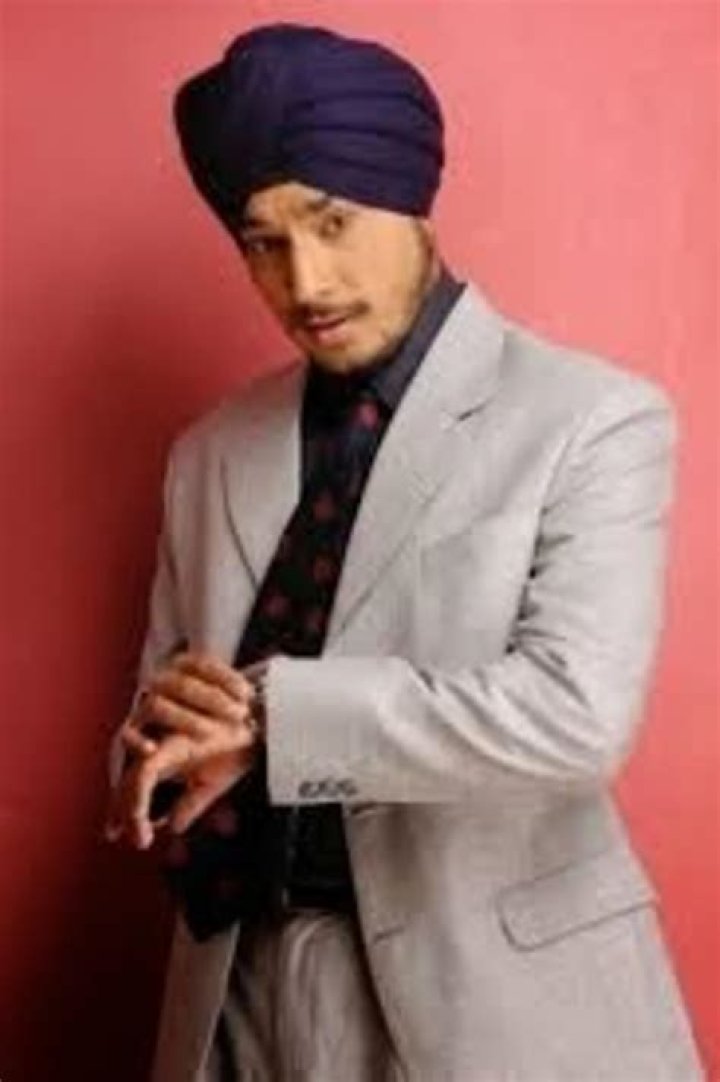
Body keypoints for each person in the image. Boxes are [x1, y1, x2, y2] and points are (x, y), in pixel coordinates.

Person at [106, 23, 704, 1082]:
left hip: (493, 1001)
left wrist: (274, 719)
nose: (306, 279)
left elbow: (578, 714)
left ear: (411, 199)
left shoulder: (590, 418)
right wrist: (149, 751)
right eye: (261, 242)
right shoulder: (209, 452)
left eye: (332, 222)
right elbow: (161, 715)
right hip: (232, 988)